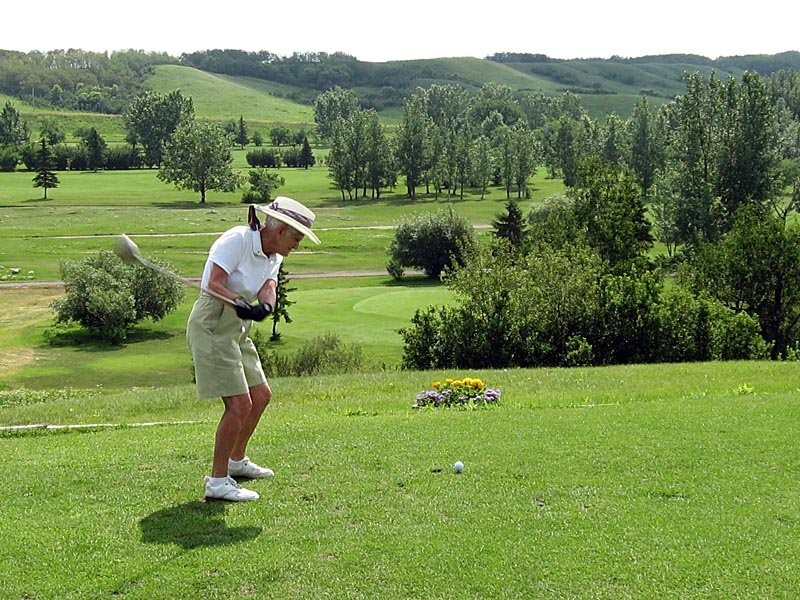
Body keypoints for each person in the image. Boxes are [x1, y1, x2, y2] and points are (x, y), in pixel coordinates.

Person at [187, 197, 320, 501]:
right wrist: (239, 303)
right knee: (239, 405)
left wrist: (266, 306)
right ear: (280, 229)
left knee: (260, 396)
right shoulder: (237, 241)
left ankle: (236, 462)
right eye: (296, 238)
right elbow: (214, 283)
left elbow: (269, 284)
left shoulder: (275, 254)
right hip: (213, 323)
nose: (297, 245)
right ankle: (217, 482)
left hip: (238, 327)